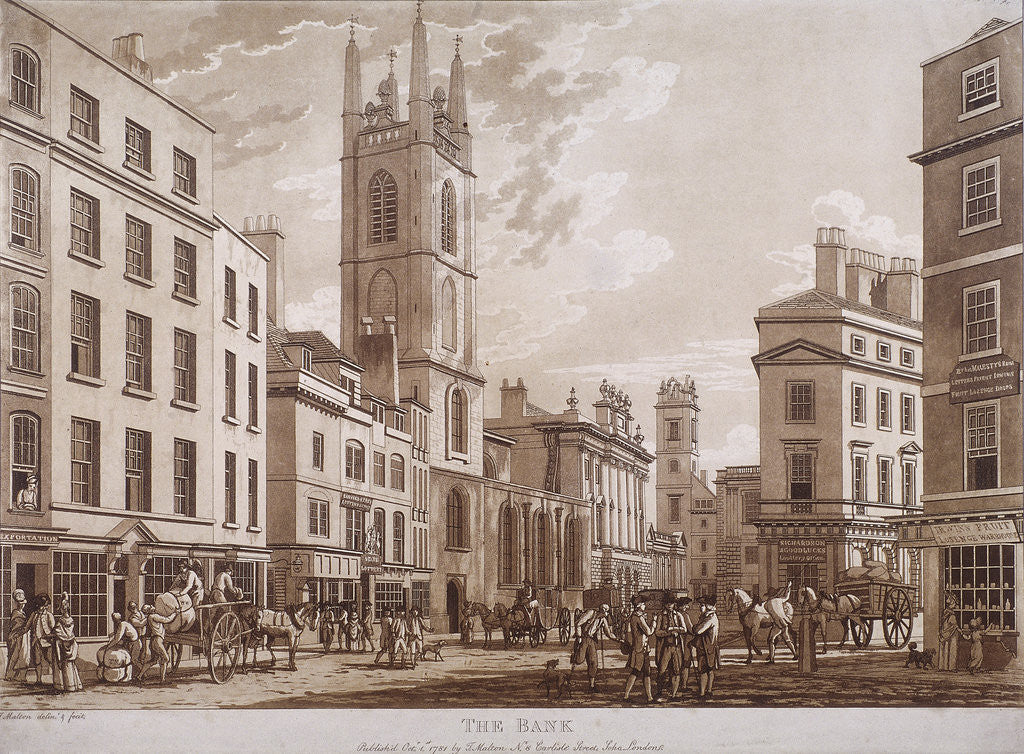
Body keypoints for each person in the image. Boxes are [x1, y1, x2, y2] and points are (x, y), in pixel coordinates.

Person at [571, 603, 616, 693]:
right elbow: (578, 624)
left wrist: (618, 639)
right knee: (579, 660)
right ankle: (573, 662)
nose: (606, 614)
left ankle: (591, 685)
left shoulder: (603, 619)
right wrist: (579, 637)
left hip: (592, 641)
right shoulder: (591, 613)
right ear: (601, 610)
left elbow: (608, 633)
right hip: (583, 638)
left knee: (593, 662)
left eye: (607, 612)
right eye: (605, 611)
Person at [655, 595, 691, 700]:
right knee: (662, 670)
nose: (669, 605)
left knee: (676, 670)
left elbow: (684, 629)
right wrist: (668, 632)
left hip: (677, 647)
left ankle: (674, 694)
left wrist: (675, 629)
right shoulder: (661, 616)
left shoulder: (678, 615)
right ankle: (660, 692)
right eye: (667, 603)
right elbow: (657, 632)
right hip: (665, 647)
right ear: (665, 604)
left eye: (671, 603)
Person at [623, 596, 657, 704]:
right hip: (640, 649)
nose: (644, 605)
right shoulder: (638, 617)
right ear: (638, 606)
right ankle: (626, 695)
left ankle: (649, 697)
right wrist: (654, 621)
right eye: (643, 604)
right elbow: (649, 632)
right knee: (637, 672)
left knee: (645, 673)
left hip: (642, 648)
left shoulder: (634, 616)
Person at [691, 595, 720, 701]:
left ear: (709, 606)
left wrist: (694, 627)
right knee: (709, 670)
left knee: (704, 670)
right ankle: (708, 690)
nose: (700, 608)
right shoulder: (708, 616)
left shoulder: (710, 617)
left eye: (702, 605)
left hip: (707, 648)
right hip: (708, 647)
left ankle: (703, 693)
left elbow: (698, 630)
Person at [51, 595, 82, 693]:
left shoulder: (61, 621)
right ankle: (72, 685)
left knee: (61, 663)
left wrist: (52, 633)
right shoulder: (71, 620)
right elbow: (69, 633)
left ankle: (62, 685)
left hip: (61, 643)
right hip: (71, 642)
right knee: (69, 664)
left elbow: (58, 631)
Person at [139, 605, 176, 684]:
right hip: (157, 641)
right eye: (150, 606)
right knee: (165, 658)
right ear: (149, 610)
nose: (152, 606)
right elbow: (166, 620)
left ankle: (139, 676)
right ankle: (162, 680)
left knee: (153, 661)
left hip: (154, 641)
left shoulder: (149, 618)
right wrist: (175, 614)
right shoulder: (154, 616)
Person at [101, 612, 142, 680]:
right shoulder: (122, 624)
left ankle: (142, 674)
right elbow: (119, 633)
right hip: (129, 643)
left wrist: (109, 646)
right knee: (128, 660)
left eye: (114, 619)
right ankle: (131, 676)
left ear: (116, 619)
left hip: (134, 643)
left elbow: (117, 638)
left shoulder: (123, 624)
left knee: (133, 660)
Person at [27, 594, 56, 685]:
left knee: (50, 660)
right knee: (37, 661)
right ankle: (39, 680)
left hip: (47, 642)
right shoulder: (34, 615)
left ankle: (56, 679)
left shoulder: (49, 615)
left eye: (45, 605)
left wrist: (49, 636)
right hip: (36, 641)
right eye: (41, 606)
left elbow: (54, 629)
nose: (43, 608)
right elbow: (27, 626)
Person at [4, 589, 31, 681]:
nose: (22, 604)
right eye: (20, 603)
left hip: (21, 637)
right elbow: (17, 627)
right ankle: (10, 675)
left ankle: (17, 676)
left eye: (23, 603)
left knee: (22, 656)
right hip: (16, 637)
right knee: (14, 656)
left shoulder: (22, 613)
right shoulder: (16, 613)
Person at [937, 593, 960, 671]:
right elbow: (954, 625)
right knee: (952, 649)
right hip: (950, 633)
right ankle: (951, 667)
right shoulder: (951, 614)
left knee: (945, 649)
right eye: (954, 603)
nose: (955, 605)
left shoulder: (945, 612)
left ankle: (943, 666)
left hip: (944, 632)